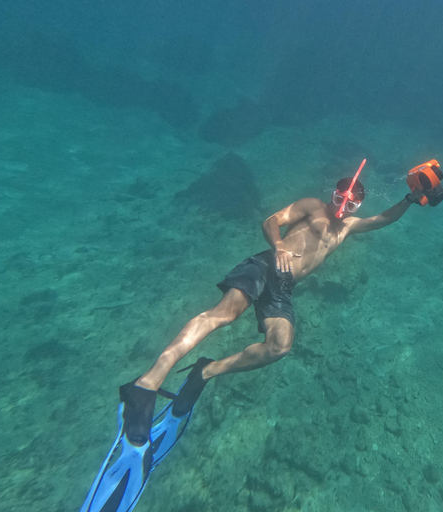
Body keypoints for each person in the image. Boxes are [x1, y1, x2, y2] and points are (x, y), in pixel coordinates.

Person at [80, 171, 425, 512]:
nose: (342, 205)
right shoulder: (312, 205)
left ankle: (204, 372)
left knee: (280, 346)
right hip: (265, 266)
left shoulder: (348, 227)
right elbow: (272, 220)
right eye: (339, 196)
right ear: (332, 194)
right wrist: (278, 246)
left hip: (285, 289)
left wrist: (409, 199)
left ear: (357, 203)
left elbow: (383, 219)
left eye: (350, 201)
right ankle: (145, 385)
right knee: (223, 315)